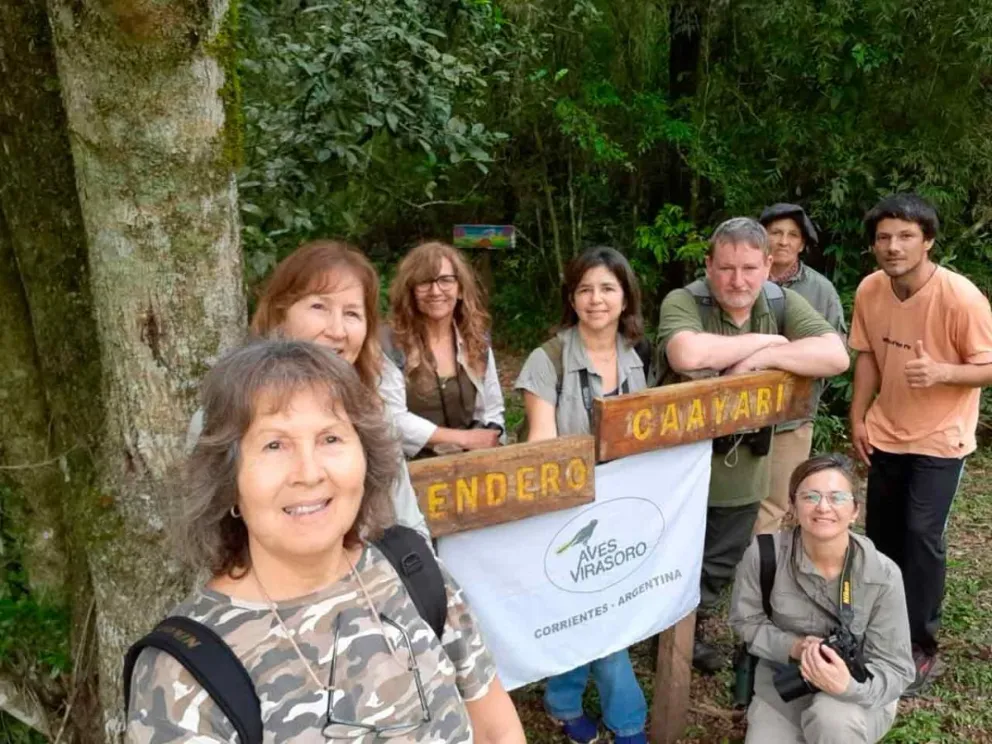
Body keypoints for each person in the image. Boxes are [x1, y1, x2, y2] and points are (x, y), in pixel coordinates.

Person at [126, 340, 526, 744]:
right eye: (274, 444)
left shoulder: (414, 571)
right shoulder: (184, 674)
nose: (309, 472)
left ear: (366, 455)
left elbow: (495, 728)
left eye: (330, 439)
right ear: (228, 482)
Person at [655, 217, 849, 674]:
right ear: (709, 265)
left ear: (766, 265)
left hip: (744, 457)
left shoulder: (782, 300)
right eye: (725, 268)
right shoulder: (686, 300)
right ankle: (656, 627)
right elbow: (687, 354)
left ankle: (690, 625)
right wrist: (770, 340)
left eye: (748, 268)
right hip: (680, 455)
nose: (737, 281)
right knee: (668, 546)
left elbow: (835, 355)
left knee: (723, 553)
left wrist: (759, 358)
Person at [849, 193, 992, 696]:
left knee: (920, 536)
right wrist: (858, 416)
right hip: (887, 429)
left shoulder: (960, 298)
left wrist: (943, 372)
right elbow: (865, 355)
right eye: (884, 237)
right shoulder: (870, 290)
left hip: (941, 438)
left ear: (928, 241)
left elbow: (988, 365)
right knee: (882, 535)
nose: (894, 246)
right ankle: (881, 628)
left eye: (906, 236)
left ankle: (919, 644)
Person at [189, 239, 429, 538]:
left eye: (352, 313)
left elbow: (407, 523)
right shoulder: (224, 417)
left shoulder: (373, 414)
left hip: (376, 581)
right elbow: (213, 541)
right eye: (319, 307)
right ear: (279, 314)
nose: (337, 331)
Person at [515, 246, 649, 744]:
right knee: (601, 617)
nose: (596, 299)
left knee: (594, 610)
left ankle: (563, 698)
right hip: (563, 508)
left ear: (625, 297)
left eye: (607, 289)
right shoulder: (547, 357)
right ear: (572, 298)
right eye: (585, 289)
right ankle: (629, 722)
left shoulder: (640, 355)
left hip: (626, 507)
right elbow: (541, 443)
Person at [730, 454, 915, 743]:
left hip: (854, 697)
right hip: (784, 690)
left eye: (837, 497)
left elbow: (896, 667)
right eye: (810, 496)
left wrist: (846, 686)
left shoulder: (883, 574)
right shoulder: (765, 555)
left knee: (833, 721)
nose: (823, 507)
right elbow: (746, 622)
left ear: (855, 510)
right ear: (793, 505)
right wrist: (796, 647)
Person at [755, 204, 847, 535]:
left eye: (792, 235)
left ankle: (759, 573)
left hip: (792, 415)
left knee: (776, 501)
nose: (782, 241)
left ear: (803, 244)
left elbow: (835, 354)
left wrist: (775, 354)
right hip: (736, 413)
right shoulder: (739, 276)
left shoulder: (819, 289)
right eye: (775, 232)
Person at [383, 241, 505, 459]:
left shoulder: (476, 339)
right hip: (408, 469)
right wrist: (462, 439)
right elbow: (392, 419)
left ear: (460, 289)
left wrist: (489, 436)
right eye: (424, 282)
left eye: (446, 280)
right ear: (410, 291)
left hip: (470, 465)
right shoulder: (389, 344)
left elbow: (492, 406)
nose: (435, 291)